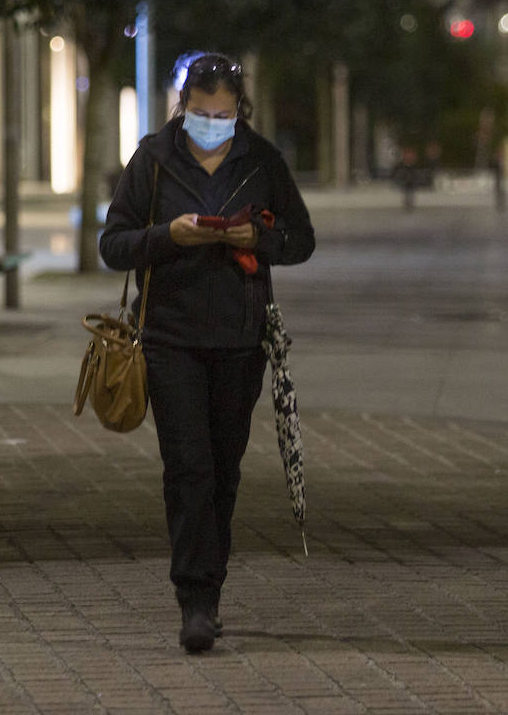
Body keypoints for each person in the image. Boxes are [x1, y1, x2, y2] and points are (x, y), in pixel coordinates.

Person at [99, 51, 316, 653]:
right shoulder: (154, 159)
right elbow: (113, 244)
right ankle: (194, 599)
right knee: (189, 467)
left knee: (222, 469)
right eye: (200, 112)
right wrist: (170, 236)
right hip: (170, 338)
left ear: (239, 111)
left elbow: (302, 239)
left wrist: (259, 239)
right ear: (182, 107)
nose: (211, 123)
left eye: (223, 114)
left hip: (241, 340)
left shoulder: (262, 161)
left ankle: (210, 587)